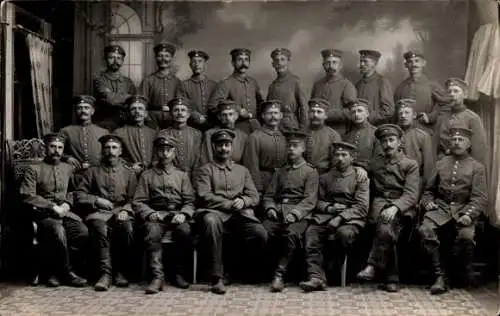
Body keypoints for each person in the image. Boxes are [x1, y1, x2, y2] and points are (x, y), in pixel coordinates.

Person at [194, 129, 268, 295]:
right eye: (220, 145)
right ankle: (216, 277)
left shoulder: (242, 170)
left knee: (259, 233)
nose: (224, 149)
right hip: (214, 212)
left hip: (239, 214)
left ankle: (237, 270)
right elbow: (204, 195)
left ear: (232, 147)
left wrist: (243, 201)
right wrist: (228, 204)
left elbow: (254, 196)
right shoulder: (205, 170)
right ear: (214, 147)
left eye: (227, 145)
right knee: (210, 222)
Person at [418, 126, 487, 294]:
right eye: (454, 139)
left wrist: (468, 216)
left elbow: (480, 197)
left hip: (464, 208)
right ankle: (439, 275)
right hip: (440, 208)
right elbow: (428, 191)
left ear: (468, 144)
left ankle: (460, 271)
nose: (456, 143)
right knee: (425, 230)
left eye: (461, 140)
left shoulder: (476, 167)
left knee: (466, 236)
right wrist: (427, 202)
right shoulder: (441, 163)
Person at [356, 124, 420, 292]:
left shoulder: (410, 164)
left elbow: (411, 195)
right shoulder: (376, 163)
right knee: (384, 229)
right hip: (378, 206)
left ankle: (372, 266)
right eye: (384, 141)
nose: (388, 144)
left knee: (385, 229)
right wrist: (359, 168)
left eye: (391, 140)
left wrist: (395, 208)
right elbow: (361, 164)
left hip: (403, 208)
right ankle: (392, 279)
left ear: (399, 142)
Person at [19, 133, 88, 287]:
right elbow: (27, 195)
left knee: (82, 231)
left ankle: (60, 271)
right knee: (58, 231)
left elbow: (73, 191)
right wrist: (52, 206)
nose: (56, 151)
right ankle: (65, 273)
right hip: (43, 215)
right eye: (52, 147)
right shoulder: (34, 168)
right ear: (45, 148)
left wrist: (67, 204)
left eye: (60, 147)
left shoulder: (67, 168)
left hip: (64, 212)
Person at [300, 141, 369, 292]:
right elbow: (316, 201)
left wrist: (340, 217)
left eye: (344, 155)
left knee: (343, 234)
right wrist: (330, 208)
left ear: (352, 158)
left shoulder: (360, 178)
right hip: (325, 216)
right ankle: (316, 277)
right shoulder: (325, 177)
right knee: (311, 234)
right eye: (337, 155)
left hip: (351, 218)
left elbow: (362, 207)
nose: (340, 158)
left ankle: (336, 272)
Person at [133, 134, 195, 294]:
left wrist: (184, 214)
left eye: (168, 150)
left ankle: (178, 273)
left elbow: (190, 200)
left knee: (184, 231)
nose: (165, 153)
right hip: (157, 215)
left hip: (177, 214)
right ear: (156, 152)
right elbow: (138, 201)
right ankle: (157, 276)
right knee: (152, 232)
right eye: (161, 150)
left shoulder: (182, 175)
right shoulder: (147, 175)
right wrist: (149, 213)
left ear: (174, 152)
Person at [75, 134, 137, 291]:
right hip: (98, 212)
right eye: (107, 148)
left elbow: (134, 198)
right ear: (102, 151)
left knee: (127, 228)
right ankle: (105, 274)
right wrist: (96, 200)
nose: (111, 151)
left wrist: (126, 209)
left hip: (121, 210)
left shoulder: (129, 173)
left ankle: (121, 272)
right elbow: (79, 195)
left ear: (121, 151)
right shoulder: (92, 172)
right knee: (100, 227)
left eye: (114, 148)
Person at [263, 128, 319, 292]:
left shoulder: (310, 172)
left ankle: (280, 274)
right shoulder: (281, 171)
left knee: (292, 234)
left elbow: (310, 199)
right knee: (262, 231)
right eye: (289, 146)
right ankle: (262, 271)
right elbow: (269, 195)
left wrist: (295, 214)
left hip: (300, 215)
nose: (292, 149)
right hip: (278, 212)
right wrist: (270, 208)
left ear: (303, 149)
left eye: (296, 146)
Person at [394, 51, 449, 139]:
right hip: (404, 133)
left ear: (423, 63)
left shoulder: (432, 85)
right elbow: (395, 112)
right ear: (406, 65)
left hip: (426, 132)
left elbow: (447, 105)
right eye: (410, 61)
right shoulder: (401, 88)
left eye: (417, 61)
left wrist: (431, 117)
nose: (413, 64)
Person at [208, 48, 263, 134]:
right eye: (240, 59)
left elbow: (261, 104)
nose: (243, 63)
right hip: (236, 128)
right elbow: (213, 105)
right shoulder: (226, 83)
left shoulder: (253, 82)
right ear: (233, 63)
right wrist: (237, 110)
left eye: (246, 60)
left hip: (255, 128)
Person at [437, 78, 488, 168]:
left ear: (464, 95)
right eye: (449, 92)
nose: (452, 94)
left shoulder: (472, 118)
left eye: (456, 91)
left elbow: (478, 152)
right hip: (443, 167)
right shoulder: (442, 117)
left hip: (463, 168)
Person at [243, 100, 287, 195]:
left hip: (282, 182)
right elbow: (251, 165)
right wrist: (258, 188)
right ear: (263, 116)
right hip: (264, 182)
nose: (273, 116)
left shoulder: (284, 137)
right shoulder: (255, 137)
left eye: (276, 113)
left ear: (281, 115)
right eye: (269, 113)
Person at [311, 49, 357, 135]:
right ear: (323, 65)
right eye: (327, 63)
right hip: (318, 131)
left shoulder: (346, 85)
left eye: (334, 62)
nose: (331, 66)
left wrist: (328, 114)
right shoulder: (317, 85)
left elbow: (351, 111)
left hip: (338, 132)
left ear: (340, 65)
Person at [93, 44, 137, 131]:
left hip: (125, 123)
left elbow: (134, 101)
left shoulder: (128, 82)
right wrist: (126, 96)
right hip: (104, 123)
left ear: (122, 61)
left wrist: (113, 95)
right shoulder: (100, 80)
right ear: (105, 59)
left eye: (119, 58)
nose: (115, 61)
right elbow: (110, 100)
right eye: (111, 58)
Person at [140, 42, 182, 129]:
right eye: (160, 56)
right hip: (152, 119)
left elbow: (180, 104)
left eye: (167, 56)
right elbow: (141, 103)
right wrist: (148, 120)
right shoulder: (148, 80)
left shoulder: (177, 81)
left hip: (172, 119)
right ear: (155, 58)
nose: (163, 59)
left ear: (171, 58)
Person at [60, 95, 108, 170]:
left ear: (92, 111)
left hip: (98, 173)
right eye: (79, 108)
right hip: (75, 172)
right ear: (75, 111)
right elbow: (54, 148)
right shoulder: (65, 131)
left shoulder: (103, 132)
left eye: (86, 107)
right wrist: (67, 158)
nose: (83, 111)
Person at [113, 95, 158, 174]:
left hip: (152, 175)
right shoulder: (119, 133)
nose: (137, 111)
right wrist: (130, 166)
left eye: (140, 108)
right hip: (129, 173)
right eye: (133, 109)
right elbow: (114, 155)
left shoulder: (153, 133)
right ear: (128, 113)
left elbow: (157, 154)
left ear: (146, 113)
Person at [266, 48, 308, 130]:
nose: (280, 63)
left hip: (291, 127)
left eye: (282, 60)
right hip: (274, 127)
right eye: (277, 60)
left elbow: (304, 107)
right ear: (273, 64)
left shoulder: (295, 82)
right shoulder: (272, 86)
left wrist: (303, 129)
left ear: (288, 62)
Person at [397, 98, 435, 186]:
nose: (403, 116)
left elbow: (428, 167)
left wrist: (425, 187)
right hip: (395, 181)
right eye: (400, 113)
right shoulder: (393, 135)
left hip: (415, 182)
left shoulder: (423, 136)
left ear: (414, 115)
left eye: (407, 112)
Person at [159, 98, 202, 176]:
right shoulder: (164, 133)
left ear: (188, 114)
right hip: (170, 176)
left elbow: (199, 158)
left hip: (193, 175)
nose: (180, 113)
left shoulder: (196, 134)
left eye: (183, 110)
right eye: (176, 110)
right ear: (171, 115)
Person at [199, 100, 248, 165]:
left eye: (231, 114)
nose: (228, 118)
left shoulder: (243, 136)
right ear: (219, 116)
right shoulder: (209, 134)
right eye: (224, 115)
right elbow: (206, 160)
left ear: (236, 116)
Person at [178, 50, 217, 131]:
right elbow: (182, 105)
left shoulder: (214, 85)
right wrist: (196, 116)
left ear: (205, 64)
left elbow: (218, 104)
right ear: (190, 65)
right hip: (192, 125)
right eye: (193, 62)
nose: (196, 64)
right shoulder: (184, 85)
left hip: (212, 124)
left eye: (200, 61)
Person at [355, 49, 394, 125]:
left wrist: (368, 117)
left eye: (365, 61)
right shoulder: (358, 85)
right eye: (361, 61)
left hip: (377, 128)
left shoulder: (382, 82)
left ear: (374, 63)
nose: (362, 64)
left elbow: (389, 110)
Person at [304, 98, 341, 175]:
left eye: (319, 112)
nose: (315, 115)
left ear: (325, 115)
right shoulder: (301, 133)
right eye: (312, 111)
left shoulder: (333, 136)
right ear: (308, 113)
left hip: (323, 175)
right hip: (303, 174)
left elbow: (336, 162)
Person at [342, 98, 381, 171]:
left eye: (359, 111)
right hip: (349, 172)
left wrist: (364, 168)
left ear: (367, 113)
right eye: (353, 112)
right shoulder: (347, 135)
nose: (356, 114)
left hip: (370, 173)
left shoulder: (376, 133)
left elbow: (378, 159)